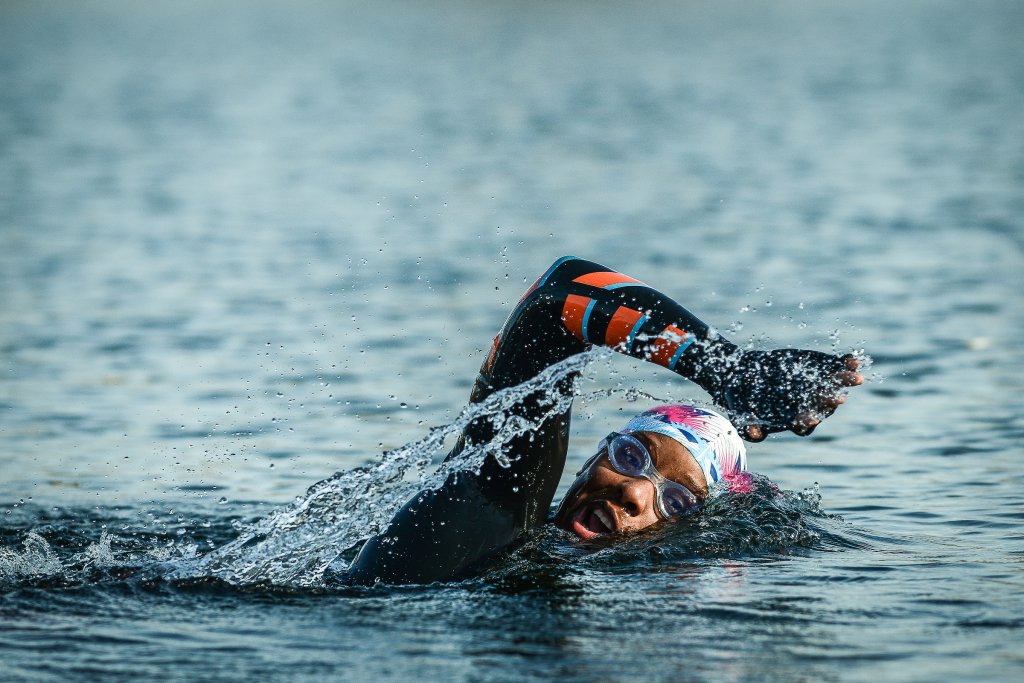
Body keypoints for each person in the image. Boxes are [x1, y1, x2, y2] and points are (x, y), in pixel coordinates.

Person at [342, 256, 863, 585]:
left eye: (676, 501)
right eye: (631, 457)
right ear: (592, 458)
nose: (634, 492)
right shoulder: (484, 515)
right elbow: (557, 294)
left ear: (688, 536)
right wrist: (726, 368)